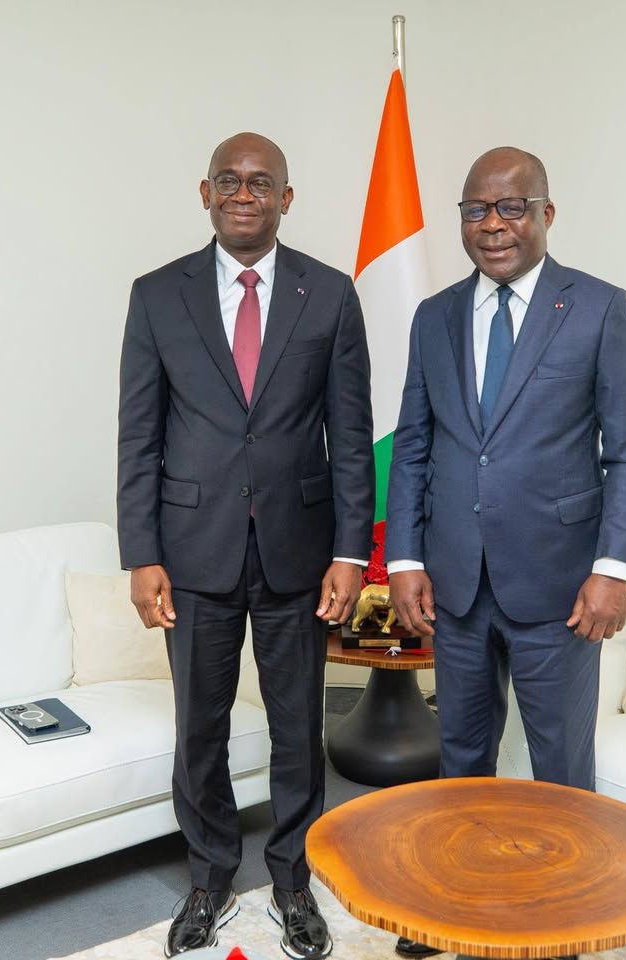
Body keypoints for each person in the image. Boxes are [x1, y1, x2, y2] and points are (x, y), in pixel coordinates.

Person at [385, 147, 626, 958]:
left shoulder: (599, 309)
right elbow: (415, 445)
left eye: (511, 207)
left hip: (561, 588)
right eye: (477, 210)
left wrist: (613, 570)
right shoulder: (433, 316)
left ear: (546, 213)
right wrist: (406, 559)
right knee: (462, 760)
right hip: (457, 583)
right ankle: (455, 912)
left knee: (561, 772)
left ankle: (565, 926)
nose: (493, 225)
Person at [117, 132, 374, 960]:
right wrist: (141, 554)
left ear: (286, 199)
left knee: (299, 728)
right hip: (193, 550)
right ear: (205, 193)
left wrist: (350, 553)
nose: (242, 194)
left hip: (300, 550)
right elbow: (139, 437)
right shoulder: (157, 296)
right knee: (201, 727)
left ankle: (294, 881)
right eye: (227, 180)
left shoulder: (329, 294)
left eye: (260, 183)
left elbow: (352, 434)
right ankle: (210, 877)